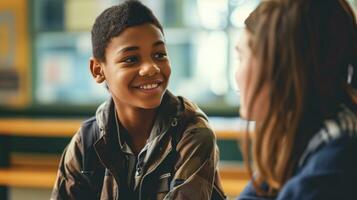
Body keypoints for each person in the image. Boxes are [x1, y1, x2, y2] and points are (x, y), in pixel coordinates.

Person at [51, 1, 226, 199]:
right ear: (98, 70)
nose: (151, 68)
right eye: (131, 59)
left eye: (159, 55)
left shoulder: (191, 133)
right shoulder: (87, 142)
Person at [234, 0, 357, 199]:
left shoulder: (338, 159)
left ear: (281, 68)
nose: (236, 76)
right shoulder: (300, 137)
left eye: (241, 58)